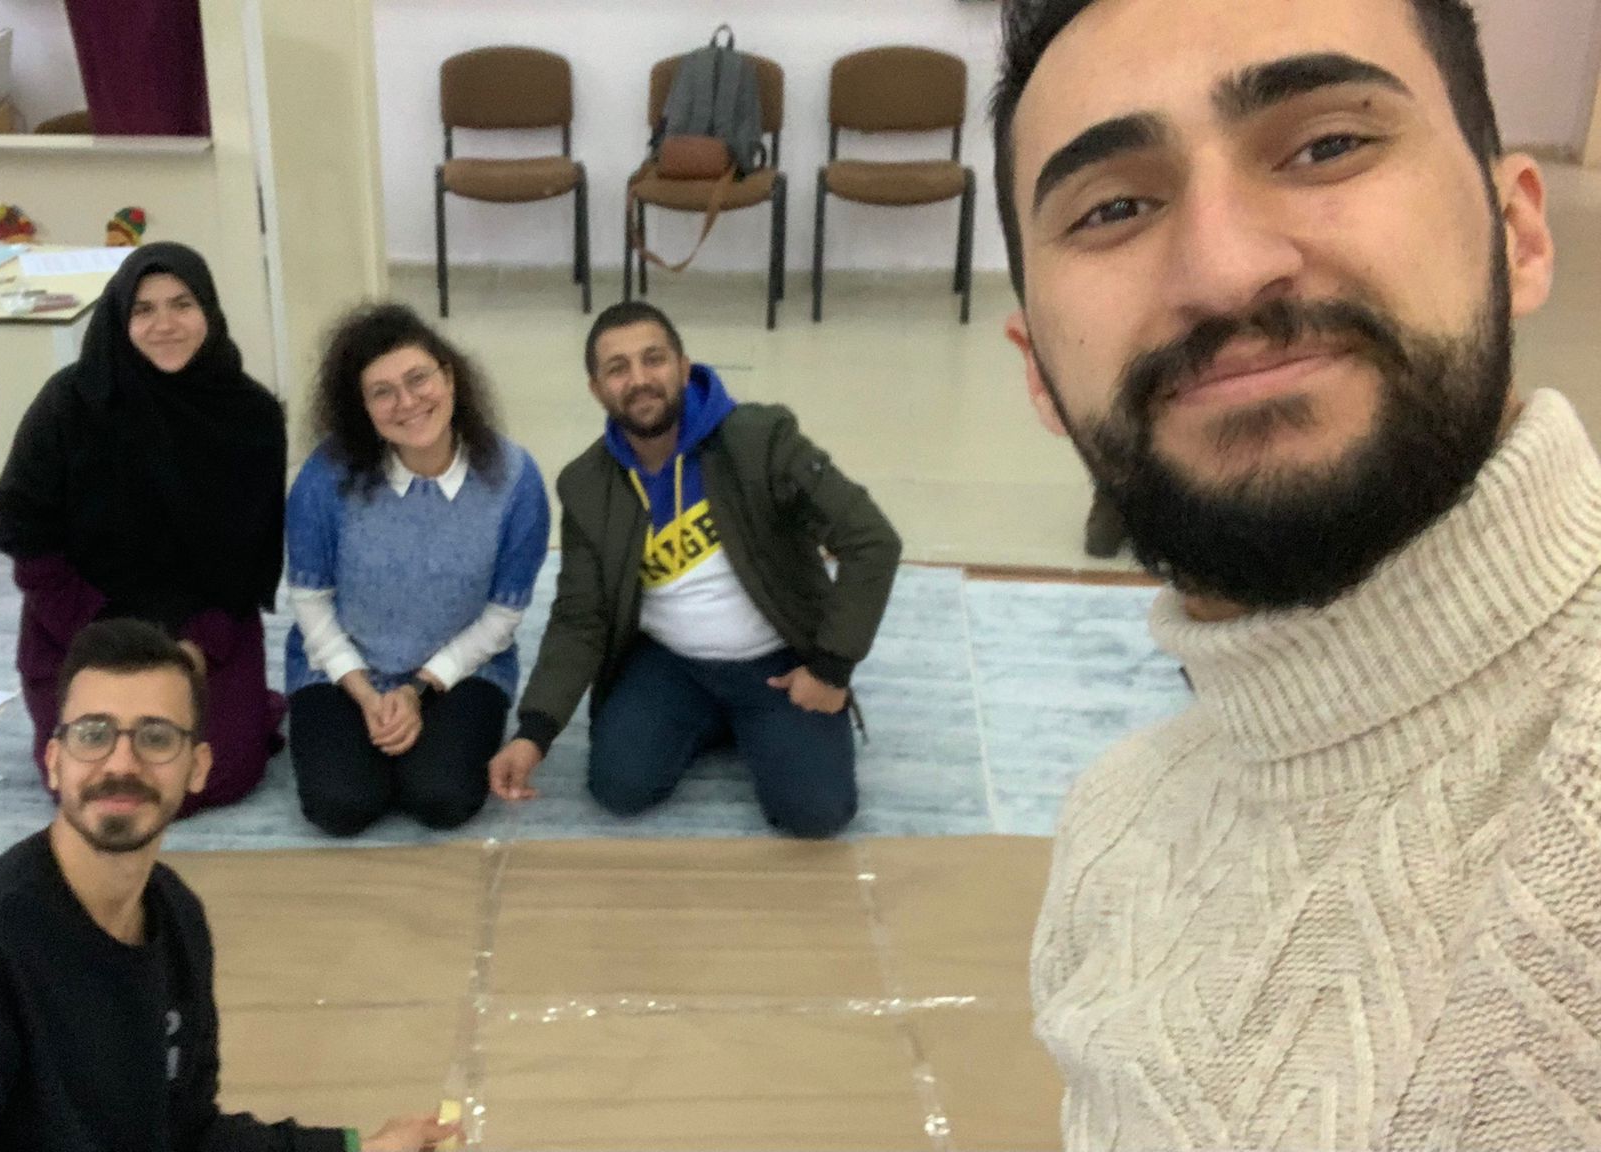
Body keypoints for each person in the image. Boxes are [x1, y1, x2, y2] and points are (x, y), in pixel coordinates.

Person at [991, 0, 1596, 1146]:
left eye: (1324, 146)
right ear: (1037, 373)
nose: (1222, 269)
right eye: (1113, 208)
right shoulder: (1113, 830)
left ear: (1516, 233)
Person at [0, 619, 455, 1152]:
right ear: (54, 760)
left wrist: (359, 1148)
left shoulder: (176, 918)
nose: (121, 763)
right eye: (94, 734)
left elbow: (186, 1135)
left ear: (198, 768)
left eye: (156, 737)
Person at [486, 301, 902, 836]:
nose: (640, 379)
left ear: (683, 367)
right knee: (619, 789)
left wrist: (830, 670)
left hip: (777, 660)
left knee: (816, 815)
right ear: (597, 389)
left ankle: (753, 723)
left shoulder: (762, 439)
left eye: (654, 359)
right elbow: (580, 617)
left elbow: (872, 541)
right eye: (618, 368)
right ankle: (716, 723)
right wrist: (534, 731)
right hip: (672, 663)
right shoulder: (587, 484)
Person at [0, 242, 287, 816]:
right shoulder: (68, 406)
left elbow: (246, 561)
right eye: (144, 309)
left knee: (213, 776)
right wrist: (107, 643)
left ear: (209, 311)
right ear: (119, 318)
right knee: (95, 778)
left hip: (205, 625)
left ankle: (245, 702)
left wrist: (196, 645)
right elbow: (34, 550)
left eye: (182, 304)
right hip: (81, 624)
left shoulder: (251, 415)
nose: (164, 324)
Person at [285, 304, 550, 836]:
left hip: (461, 670)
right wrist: (366, 694)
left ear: (449, 377)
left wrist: (418, 690)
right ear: (362, 407)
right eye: (382, 392)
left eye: (418, 378)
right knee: (340, 806)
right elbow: (310, 599)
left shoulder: (515, 478)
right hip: (341, 668)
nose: (407, 402)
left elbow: (504, 614)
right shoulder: (325, 475)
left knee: (442, 798)